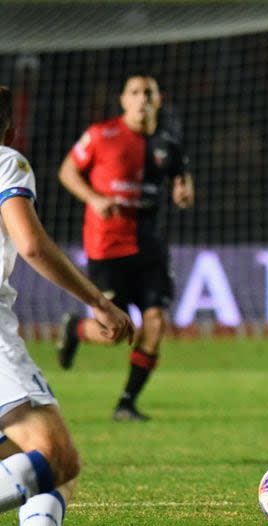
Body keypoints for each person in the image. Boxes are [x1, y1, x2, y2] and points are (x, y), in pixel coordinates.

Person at [0, 85, 134, 523]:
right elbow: (32, 245)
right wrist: (98, 301)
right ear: (9, 126)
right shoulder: (7, 163)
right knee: (58, 458)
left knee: (39, 467)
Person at [56, 72, 194, 422]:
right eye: (135, 92)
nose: (142, 98)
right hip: (108, 247)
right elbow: (67, 171)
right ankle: (74, 328)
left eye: (149, 92)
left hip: (150, 248)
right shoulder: (101, 135)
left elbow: (181, 176)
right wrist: (94, 198)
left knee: (156, 321)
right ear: (123, 100)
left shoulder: (168, 143)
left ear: (158, 99)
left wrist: (183, 190)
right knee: (113, 332)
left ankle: (127, 402)